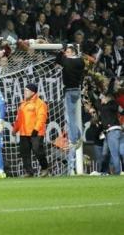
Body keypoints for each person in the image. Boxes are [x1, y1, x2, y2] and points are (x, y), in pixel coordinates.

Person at [55, 44, 85, 175]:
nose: (66, 53)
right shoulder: (80, 61)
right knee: (71, 118)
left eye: (68, 51)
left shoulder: (66, 61)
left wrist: (61, 50)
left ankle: (75, 139)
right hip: (77, 91)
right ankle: (77, 136)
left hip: (68, 91)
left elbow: (57, 59)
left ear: (72, 52)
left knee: (70, 118)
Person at [12, 83, 49, 177]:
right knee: (25, 153)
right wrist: (15, 129)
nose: (25, 92)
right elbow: (19, 119)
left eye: (27, 90)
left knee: (37, 151)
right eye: (24, 90)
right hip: (24, 132)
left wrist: (36, 129)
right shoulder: (23, 104)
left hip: (35, 133)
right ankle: (29, 172)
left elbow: (42, 117)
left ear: (33, 92)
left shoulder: (40, 103)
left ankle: (45, 168)